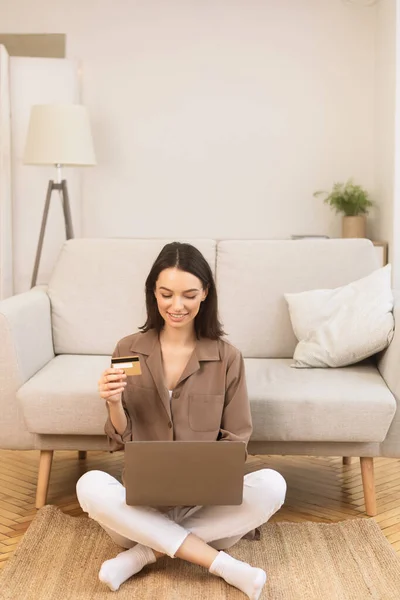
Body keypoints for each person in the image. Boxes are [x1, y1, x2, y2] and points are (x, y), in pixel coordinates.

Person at [76, 242, 286, 599]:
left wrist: (210, 476)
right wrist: (113, 403)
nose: (177, 306)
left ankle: (144, 553)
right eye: (166, 294)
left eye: (189, 295)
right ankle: (222, 565)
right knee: (89, 485)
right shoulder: (128, 350)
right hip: (141, 509)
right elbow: (119, 438)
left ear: (205, 293)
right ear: (152, 293)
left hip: (206, 509)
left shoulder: (227, 358)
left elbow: (237, 440)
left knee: (273, 485)